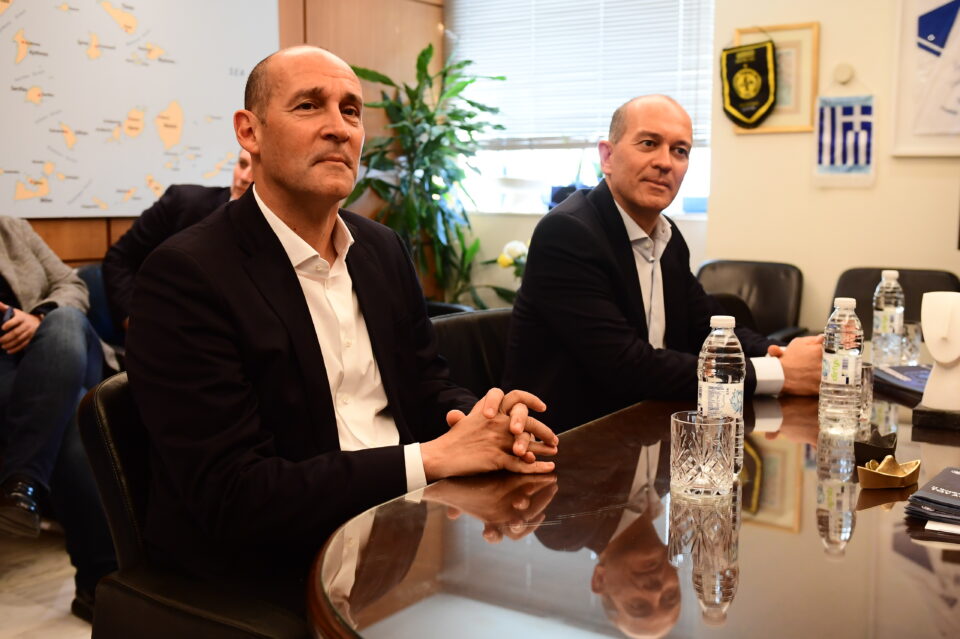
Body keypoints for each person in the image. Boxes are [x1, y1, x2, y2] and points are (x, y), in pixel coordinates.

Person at [125, 46, 557, 586]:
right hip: (267, 567)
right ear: (249, 132)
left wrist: (481, 423)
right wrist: (433, 459)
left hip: (396, 536)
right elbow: (233, 494)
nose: (339, 128)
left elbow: (426, 385)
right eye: (309, 105)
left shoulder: (381, 248)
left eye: (351, 110)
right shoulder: (186, 274)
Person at [503, 95, 822, 431]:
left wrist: (783, 354)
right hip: (569, 439)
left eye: (679, 150)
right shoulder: (568, 233)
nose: (665, 162)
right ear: (607, 157)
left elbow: (707, 328)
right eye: (649, 143)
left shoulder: (667, 237)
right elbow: (626, 365)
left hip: (644, 426)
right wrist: (778, 373)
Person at [0, 216, 117, 622]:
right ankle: (100, 583)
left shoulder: (11, 229)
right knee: (74, 417)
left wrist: (38, 317)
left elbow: (72, 284)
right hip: (8, 376)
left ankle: (23, 481)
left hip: (63, 350)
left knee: (66, 319)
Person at [103, 149, 254, 331]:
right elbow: (119, 258)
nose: (244, 177)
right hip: (161, 328)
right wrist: (133, 320)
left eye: (256, 169)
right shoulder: (184, 203)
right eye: (242, 164)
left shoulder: (275, 232)